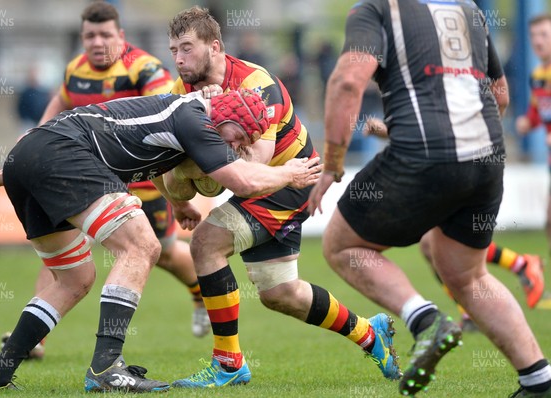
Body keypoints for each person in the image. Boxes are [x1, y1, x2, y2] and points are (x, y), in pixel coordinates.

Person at [0, 88, 322, 393]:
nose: (236, 145)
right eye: (240, 135)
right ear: (227, 115)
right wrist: (289, 173)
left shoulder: (183, 118)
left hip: (27, 158)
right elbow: (242, 182)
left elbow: (152, 164)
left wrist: (179, 203)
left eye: (244, 143)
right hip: (63, 152)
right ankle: (106, 367)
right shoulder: (195, 118)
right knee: (142, 246)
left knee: (73, 280)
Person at [308, 1, 551, 397]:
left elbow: (347, 82)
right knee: (467, 274)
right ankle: (538, 380)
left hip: (423, 153)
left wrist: (333, 164)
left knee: (341, 245)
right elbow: (500, 94)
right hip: (487, 157)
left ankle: (424, 321)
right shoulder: (469, 9)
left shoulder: (375, 9)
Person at [166, 6, 400, 389]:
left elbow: (255, 169)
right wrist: (178, 200)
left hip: (288, 179)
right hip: (266, 183)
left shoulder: (257, 83)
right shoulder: (181, 91)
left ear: (215, 46)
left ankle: (229, 364)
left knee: (206, 244)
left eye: (187, 48)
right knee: (281, 293)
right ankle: (370, 335)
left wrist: (202, 142)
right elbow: (168, 160)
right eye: (174, 49)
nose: (178, 58)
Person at [30, 1, 211, 348]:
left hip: (143, 184)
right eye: (89, 36)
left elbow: (166, 115)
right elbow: (61, 100)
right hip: (91, 182)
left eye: (105, 35)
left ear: (121, 36)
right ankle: (34, 341)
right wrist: (40, 135)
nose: (97, 43)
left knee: (168, 254)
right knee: (59, 248)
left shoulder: (145, 69)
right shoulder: (75, 70)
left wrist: (177, 193)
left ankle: (201, 292)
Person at [364, 119, 546, 321]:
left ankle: (517, 268)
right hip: (455, 169)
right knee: (433, 244)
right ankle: (506, 276)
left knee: (445, 243)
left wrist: (383, 130)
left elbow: (423, 131)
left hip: (454, 170)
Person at [516, 13, 551, 256]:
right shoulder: (538, 76)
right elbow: (539, 113)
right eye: (533, 36)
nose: (537, 41)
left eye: (544, 35)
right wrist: (528, 122)